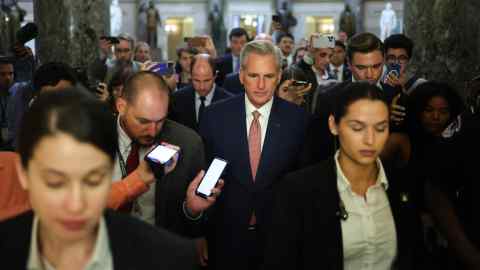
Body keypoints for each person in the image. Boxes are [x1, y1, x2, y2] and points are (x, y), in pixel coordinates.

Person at [0, 89, 198, 269]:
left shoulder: (170, 258)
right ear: (23, 174)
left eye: (93, 181)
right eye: (55, 182)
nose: (76, 204)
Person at [264, 82, 424, 270]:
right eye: (357, 128)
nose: (370, 140)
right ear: (334, 125)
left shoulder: (401, 183)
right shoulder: (298, 190)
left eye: (380, 128)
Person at [199, 40, 308, 270]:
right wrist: (200, 235)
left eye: (268, 76)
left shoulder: (298, 120)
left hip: (280, 240)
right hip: (225, 239)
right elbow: (204, 179)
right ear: (241, 75)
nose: (260, 85)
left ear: (279, 76)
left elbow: (304, 186)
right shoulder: (213, 116)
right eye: (253, 75)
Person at [113, 71, 220, 238]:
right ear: (121, 106)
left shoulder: (187, 143)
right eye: (143, 121)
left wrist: (191, 210)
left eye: (160, 121)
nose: (152, 131)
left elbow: (194, 226)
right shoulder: (90, 139)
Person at [170, 54, 232, 132]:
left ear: (215, 76)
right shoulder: (177, 99)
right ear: (191, 76)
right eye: (196, 80)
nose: (202, 87)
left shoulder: (229, 102)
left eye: (206, 80)